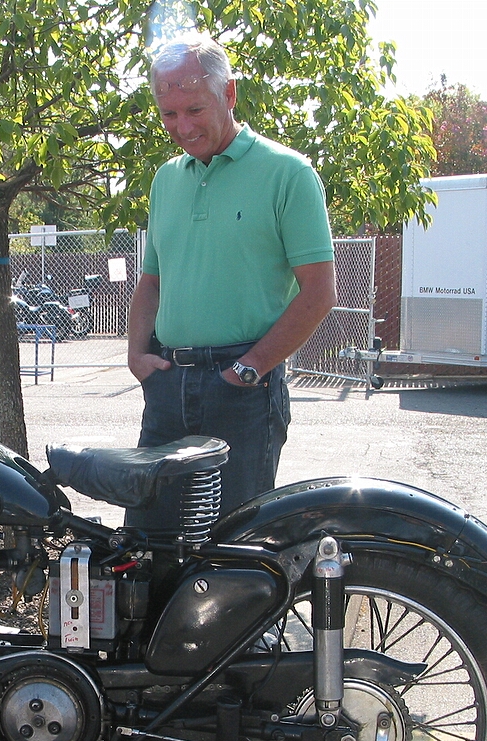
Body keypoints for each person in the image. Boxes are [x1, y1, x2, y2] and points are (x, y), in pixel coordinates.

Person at [125, 33, 337, 529]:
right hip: (167, 385)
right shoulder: (165, 180)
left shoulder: (288, 173)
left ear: (230, 94)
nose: (182, 127)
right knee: (146, 548)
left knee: (234, 554)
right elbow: (151, 283)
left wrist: (249, 369)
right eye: (169, 115)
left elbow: (320, 293)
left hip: (242, 390)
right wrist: (137, 357)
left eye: (195, 110)